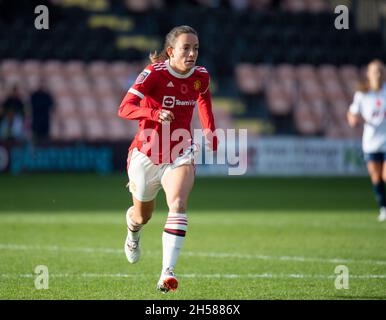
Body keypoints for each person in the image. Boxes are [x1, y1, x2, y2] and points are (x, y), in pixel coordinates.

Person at [118, 25, 218, 292]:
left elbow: (204, 100)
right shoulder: (153, 74)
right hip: (146, 154)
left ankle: (167, 273)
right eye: (186, 48)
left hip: (180, 150)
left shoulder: (201, 76)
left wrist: (211, 132)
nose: (192, 53)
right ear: (171, 51)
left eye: (196, 48)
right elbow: (124, 108)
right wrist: (154, 114)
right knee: (142, 217)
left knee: (178, 203)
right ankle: (132, 233)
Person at [347, 59, 386, 222]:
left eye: (380, 71)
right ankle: (383, 208)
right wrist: (353, 120)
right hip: (370, 143)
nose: (377, 74)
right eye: (374, 71)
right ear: (368, 75)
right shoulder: (362, 94)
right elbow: (352, 113)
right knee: (376, 177)